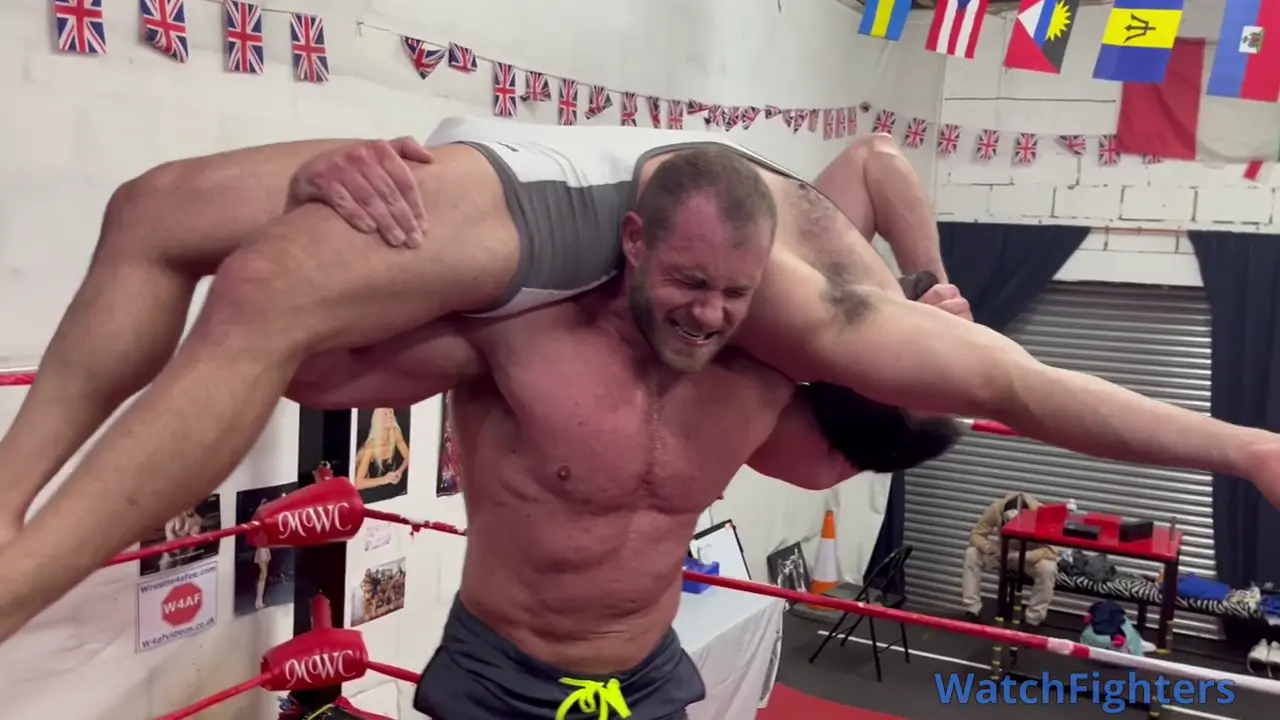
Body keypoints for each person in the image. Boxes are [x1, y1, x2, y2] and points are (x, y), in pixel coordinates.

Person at [2, 116, 1280, 650]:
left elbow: (873, 167)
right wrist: (1242, 449)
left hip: (569, 169)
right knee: (248, 279)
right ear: (840, 407)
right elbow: (1036, 391)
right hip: (567, 184)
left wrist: (317, 199)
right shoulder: (846, 332)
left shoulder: (799, 321)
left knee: (168, 217)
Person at [960, 492, 1058, 627]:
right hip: (1003, 552)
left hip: (1029, 556)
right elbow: (976, 535)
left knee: (1048, 568)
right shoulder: (996, 508)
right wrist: (989, 549)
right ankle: (972, 609)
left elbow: (1052, 550)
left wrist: (1024, 556)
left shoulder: (1040, 512)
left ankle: (1034, 619)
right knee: (972, 553)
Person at [352, 407, 410, 491]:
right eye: (385, 414)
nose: (390, 416)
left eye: (391, 412)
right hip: (374, 490)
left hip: (393, 488)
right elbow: (358, 484)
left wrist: (399, 471)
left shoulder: (395, 432)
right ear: (378, 419)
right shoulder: (371, 445)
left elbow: (408, 457)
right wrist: (385, 479)